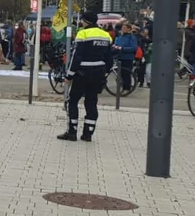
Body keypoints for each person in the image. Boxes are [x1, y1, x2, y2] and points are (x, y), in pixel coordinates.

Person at [58, 11, 113, 142]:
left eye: (82, 20)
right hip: (98, 73)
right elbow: (109, 58)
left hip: (82, 73)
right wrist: (105, 73)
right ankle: (88, 133)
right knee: (91, 102)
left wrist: (69, 75)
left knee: (72, 101)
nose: (80, 22)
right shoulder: (106, 35)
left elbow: (76, 56)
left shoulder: (83, 34)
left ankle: (72, 132)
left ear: (86, 21)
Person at [113, 23, 139, 92]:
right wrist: (115, 47)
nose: (123, 29)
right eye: (123, 27)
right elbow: (116, 44)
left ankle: (127, 88)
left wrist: (123, 48)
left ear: (129, 29)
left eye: (125, 28)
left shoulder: (132, 37)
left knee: (126, 73)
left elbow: (134, 48)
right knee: (120, 73)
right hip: (119, 57)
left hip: (128, 58)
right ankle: (122, 86)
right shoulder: (119, 37)